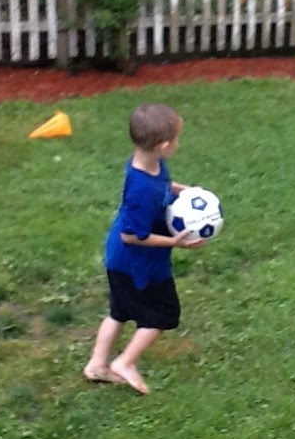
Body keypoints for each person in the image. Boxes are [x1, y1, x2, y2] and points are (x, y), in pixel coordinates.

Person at [83, 103, 205, 394]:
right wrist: (174, 242)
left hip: (122, 260)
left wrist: (185, 191)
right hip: (136, 263)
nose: (178, 144)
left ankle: (96, 366)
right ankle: (125, 362)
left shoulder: (149, 164)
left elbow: (164, 184)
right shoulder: (141, 190)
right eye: (176, 139)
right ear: (163, 145)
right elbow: (130, 235)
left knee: (119, 311)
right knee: (163, 314)